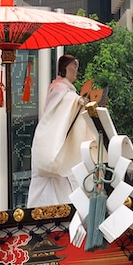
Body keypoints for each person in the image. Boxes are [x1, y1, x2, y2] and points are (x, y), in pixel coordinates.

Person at [26, 54, 97, 208]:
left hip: (64, 139)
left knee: (67, 179)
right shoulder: (59, 88)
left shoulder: (68, 90)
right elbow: (58, 107)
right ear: (64, 68)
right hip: (53, 140)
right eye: (73, 68)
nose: (75, 72)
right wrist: (76, 100)